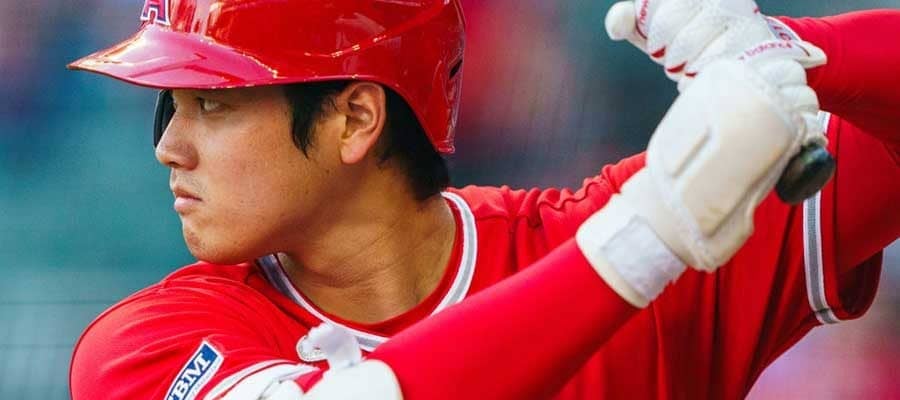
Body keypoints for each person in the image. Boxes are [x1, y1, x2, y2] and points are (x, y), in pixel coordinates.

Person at [67, 0, 899, 399]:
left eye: (212, 106)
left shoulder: (626, 230)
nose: (169, 146)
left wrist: (787, 52)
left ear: (355, 119)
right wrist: (642, 244)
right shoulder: (144, 347)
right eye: (171, 106)